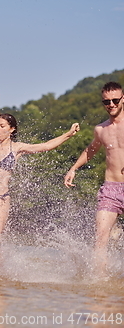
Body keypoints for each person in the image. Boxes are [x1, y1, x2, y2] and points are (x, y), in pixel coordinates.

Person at [0, 112, 79, 260]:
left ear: (11, 129)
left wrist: (68, 134)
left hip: (0, 199)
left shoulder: (17, 148)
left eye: (2, 126)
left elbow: (45, 146)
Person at [64, 81, 124, 275]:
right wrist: (73, 168)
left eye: (115, 100)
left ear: (123, 99)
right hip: (111, 188)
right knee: (100, 237)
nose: (112, 104)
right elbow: (90, 150)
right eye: (107, 101)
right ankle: (100, 284)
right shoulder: (101, 129)